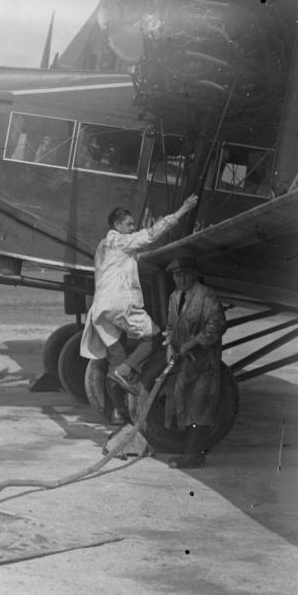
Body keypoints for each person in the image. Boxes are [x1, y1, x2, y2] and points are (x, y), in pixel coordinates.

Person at [80, 194, 199, 394]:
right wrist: (183, 210)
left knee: (116, 357)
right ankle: (125, 371)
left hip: (100, 310)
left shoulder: (102, 246)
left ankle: (117, 406)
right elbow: (151, 234)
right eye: (129, 224)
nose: (132, 228)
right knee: (153, 337)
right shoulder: (121, 241)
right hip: (120, 304)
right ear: (117, 225)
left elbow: (123, 261)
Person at [163, 256, 227, 469]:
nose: (181, 279)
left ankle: (194, 455)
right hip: (183, 363)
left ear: (194, 274)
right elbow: (171, 326)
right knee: (183, 403)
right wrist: (170, 345)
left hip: (204, 363)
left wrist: (192, 344)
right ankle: (190, 448)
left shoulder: (206, 295)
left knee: (200, 406)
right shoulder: (174, 297)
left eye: (185, 274)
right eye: (177, 275)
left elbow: (217, 325)